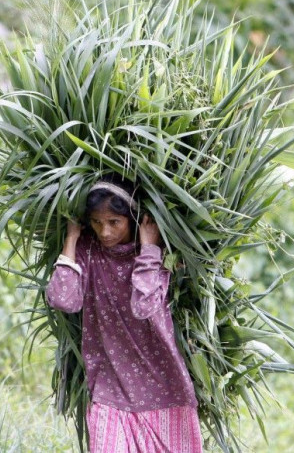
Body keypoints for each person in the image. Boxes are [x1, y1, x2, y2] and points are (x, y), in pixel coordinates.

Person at [46, 175, 203, 453]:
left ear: (133, 219)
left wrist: (150, 249)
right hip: (110, 383)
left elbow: (144, 307)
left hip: (163, 384)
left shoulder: (157, 255)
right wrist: (71, 238)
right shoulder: (89, 252)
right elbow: (63, 299)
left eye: (114, 222)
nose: (104, 232)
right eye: (96, 222)